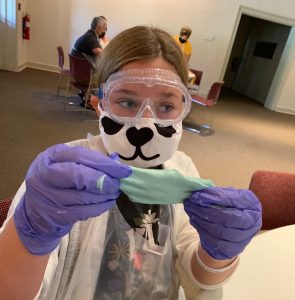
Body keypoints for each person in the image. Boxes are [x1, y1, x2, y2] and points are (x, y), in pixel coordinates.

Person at [0, 26, 262, 300]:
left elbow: (197, 276)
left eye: (166, 107)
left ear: (182, 112)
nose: (145, 122)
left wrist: (218, 253)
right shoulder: (62, 177)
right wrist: (32, 231)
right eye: (126, 101)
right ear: (99, 105)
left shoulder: (182, 168)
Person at [71, 16, 108, 107]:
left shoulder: (90, 34)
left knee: (100, 70)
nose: (105, 30)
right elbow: (99, 53)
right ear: (98, 27)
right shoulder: (91, 37)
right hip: (84, 73)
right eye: (104, 27)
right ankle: (87, 100)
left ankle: (85, 92)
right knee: (103, 75)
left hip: (78, 70)